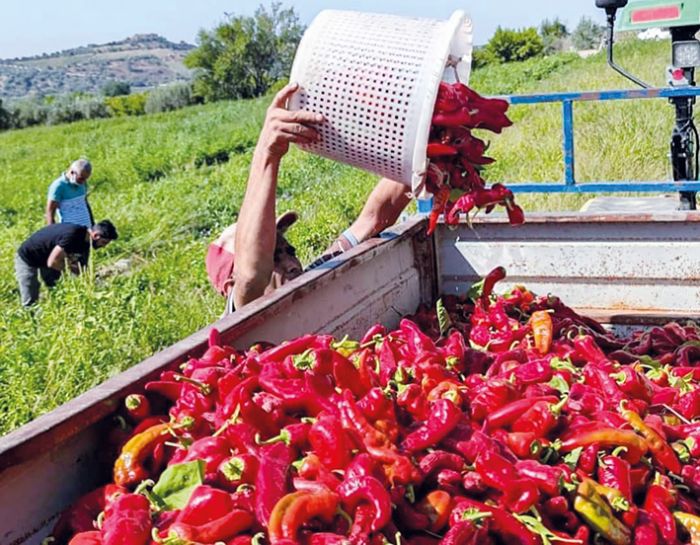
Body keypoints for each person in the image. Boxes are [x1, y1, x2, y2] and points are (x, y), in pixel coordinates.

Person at [206, 82, 411, 312]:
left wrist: (421, 157)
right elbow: (251, 276)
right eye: (274, 259)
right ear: (232, 286)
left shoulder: (314, 275)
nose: (292, 265)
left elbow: (374, 217)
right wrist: (267, 153)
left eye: (289, 252)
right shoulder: (240, 318)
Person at [15, 220, 118, 307]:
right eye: (104, 242)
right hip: (28, 257)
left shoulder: (86, 242)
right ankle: (31, 325)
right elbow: (53, 262)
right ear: (96, 235)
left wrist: (89, 277)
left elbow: (77, 264)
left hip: (48, 257)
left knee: (56, 287)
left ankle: (56, 313)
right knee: (30, 295)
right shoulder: (73, 235)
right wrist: (72, 271)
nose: (104, 246)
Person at [46, 159, 94, 228]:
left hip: (86, 229)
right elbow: (50, 211)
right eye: (81, 179)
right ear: (72, 172)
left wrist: (93, 224)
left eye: (85, 179)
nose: (83, 182)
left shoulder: (83, 183)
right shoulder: (58, 186)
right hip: (69, 231)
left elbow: (85, 203)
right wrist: (52, 231)